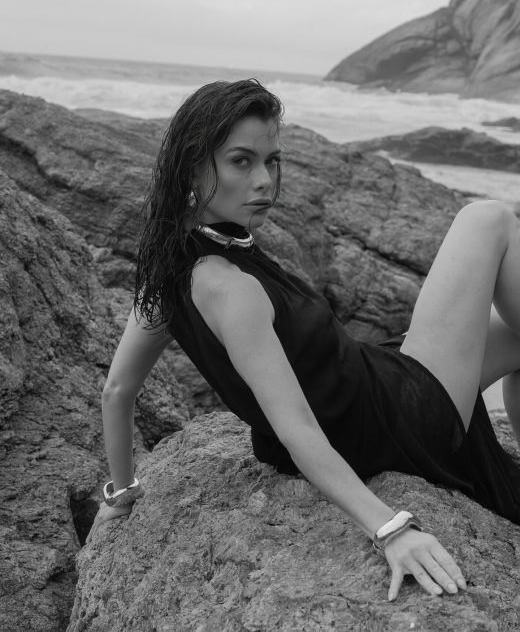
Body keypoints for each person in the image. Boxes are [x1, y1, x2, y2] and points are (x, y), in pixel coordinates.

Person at [86, 79, 520, 602]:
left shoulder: (171, 267)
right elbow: (297, 429)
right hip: (394, 421)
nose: (265, 181)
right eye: (241, 161)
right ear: (191, 167)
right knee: (488, 218)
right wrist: (391, 530)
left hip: (369, 386)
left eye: (271, 161)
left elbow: (117, 391)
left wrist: (122, 495)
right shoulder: (230, 288)